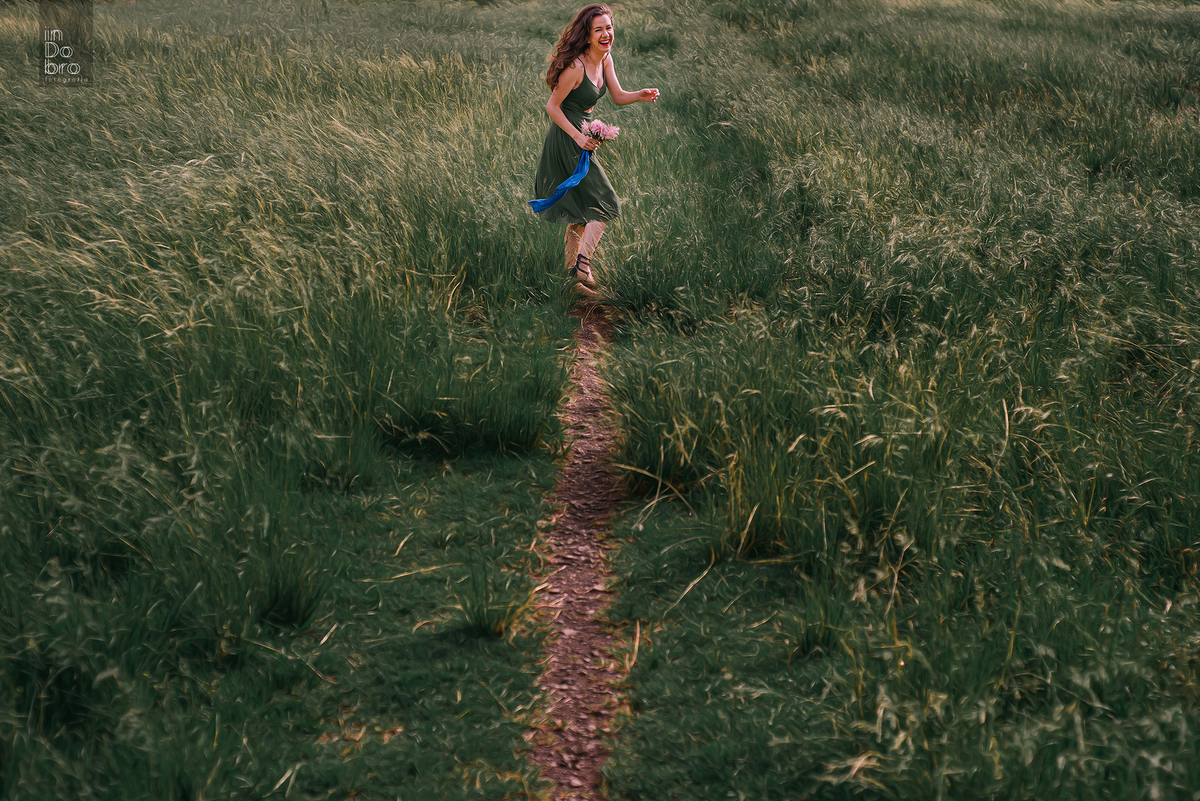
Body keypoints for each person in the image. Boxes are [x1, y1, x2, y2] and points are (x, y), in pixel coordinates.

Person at [532, 4, 659, 295]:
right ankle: (583, 268)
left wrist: (639, 95)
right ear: (587, 35)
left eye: (609, 28)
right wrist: (578, 137)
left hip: (583, 136)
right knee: (605, 204)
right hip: (568, 139)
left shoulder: (605, 59)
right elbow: (552, 107)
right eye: (598, 29)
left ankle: (572, 280)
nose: (606, 34)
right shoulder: (576, 66)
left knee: (579, 213)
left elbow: (616, 96)